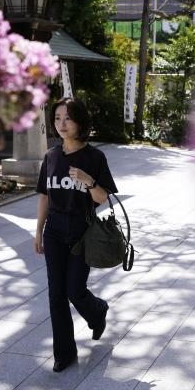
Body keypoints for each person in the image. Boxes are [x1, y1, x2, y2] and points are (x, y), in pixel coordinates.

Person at [34, 97, 117, 372]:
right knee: (56, 294)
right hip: (55, 231)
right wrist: (38, 231)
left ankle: (97, 311)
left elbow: (102, 197)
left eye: (67, 118)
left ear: (80, 121)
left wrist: (87, 179)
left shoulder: (95, 157)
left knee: (75, 290)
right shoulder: (51, 157)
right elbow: (44, 196)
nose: (62, 124)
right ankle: (64, 353)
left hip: (82, 231)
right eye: (57, 118)